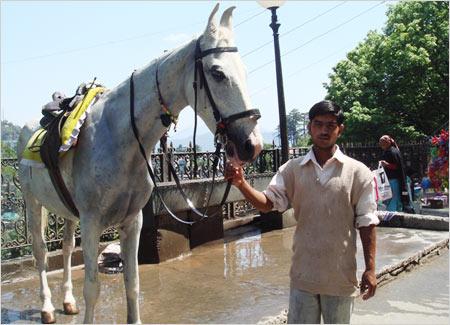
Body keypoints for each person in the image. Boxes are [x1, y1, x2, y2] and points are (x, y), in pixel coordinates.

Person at [225, 100, 379, 324]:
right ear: (309, 128)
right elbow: (268, 203)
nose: (324, 130)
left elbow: (367, 222)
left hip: (340, 279)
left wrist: (370, 269)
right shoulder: (292, 170)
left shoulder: (358, 172)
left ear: (340, 130)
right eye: (318, 124)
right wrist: (241, 184)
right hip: (303, 279)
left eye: (330, 125)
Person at [379, 135, 413, 212]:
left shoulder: (392, 151)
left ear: (388, 142)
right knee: (394, 199)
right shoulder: (390, 150)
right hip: (391, 180)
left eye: (382, 142)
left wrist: (386, 164)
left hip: (393, 180)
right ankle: (395, 214)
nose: (381, 144)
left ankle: (392, 215)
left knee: (392, 199)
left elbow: (397, 166)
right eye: (380, 142)